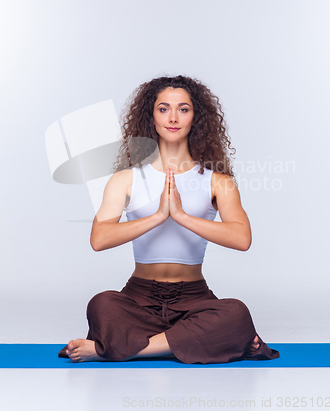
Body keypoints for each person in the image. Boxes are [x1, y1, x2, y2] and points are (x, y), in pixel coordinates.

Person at [58, 75, 279, 364]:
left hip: (194, 299)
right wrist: (159, 216)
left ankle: (113, 349)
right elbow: (99, 239)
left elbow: (242, 238)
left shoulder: (218, 181)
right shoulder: (126, 178)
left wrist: (182, 216)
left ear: (195, 117)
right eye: (164, 109)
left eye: (183, 109)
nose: (173, 117)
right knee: (102, 303)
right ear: (151, 115)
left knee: (235, 313)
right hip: (138, 298)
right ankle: (194, 343)